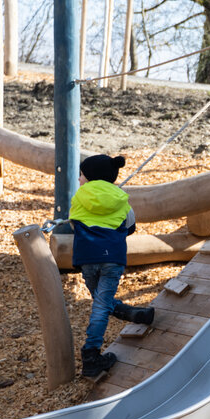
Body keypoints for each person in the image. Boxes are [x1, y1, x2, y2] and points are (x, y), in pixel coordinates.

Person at [69, 154, 151, 378]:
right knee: (101, 304)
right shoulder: (121, 199)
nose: (79, 179)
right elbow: (130, 226)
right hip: (112, 259)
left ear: (90, 177)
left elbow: (74, 222)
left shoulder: (78, 198)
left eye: (81, 175)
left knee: (100, 303)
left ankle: (92, 354)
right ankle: (129, 315)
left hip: (86, 257)